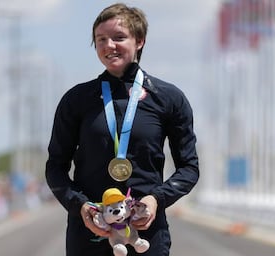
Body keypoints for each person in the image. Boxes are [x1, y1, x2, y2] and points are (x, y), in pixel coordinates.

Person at [45, 3, 199, 256]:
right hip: (90, 231)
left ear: (139, 41)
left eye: (119, 38)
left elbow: (189, 168)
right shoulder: (76, 100)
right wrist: (81, 207)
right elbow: (55, 167)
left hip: (147, 231)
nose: (109, 46)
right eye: (101, 39)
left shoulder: (168, 98)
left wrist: (156, 200)